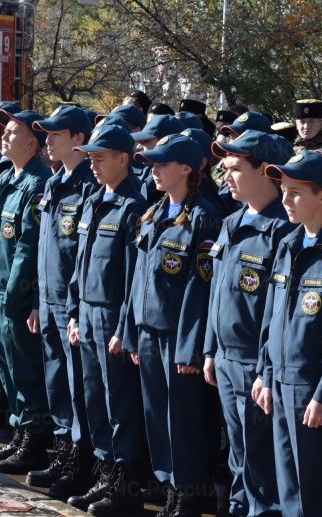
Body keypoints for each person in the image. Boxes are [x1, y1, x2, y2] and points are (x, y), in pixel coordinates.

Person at [253, 151, 322, 517]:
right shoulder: (289, 244)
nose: (285, 200)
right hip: (280, 380)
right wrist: (265, 374)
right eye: (283, 190)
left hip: (311, 385)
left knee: (315, 484)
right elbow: (272, 318)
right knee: (288, 480)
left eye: (295, 192)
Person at [126, 134, 222, 516]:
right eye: (152, 165)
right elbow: (138, 280)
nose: (155, 171)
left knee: (182, 419)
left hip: (177, 338)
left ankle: (189, 492)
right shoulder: (155, 212)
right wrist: (132, 330)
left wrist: (189, 348)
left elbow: (201, 288)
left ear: (186, 167)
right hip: (148, 333)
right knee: (156, 416)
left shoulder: (204, 216)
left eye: (163, 164)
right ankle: (170, 485)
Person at [203, 131, 295, 517]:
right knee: (239, 456)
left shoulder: (283, 231)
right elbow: (217, 293)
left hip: (254, 365)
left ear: (266, 173)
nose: (226, 173)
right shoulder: (232, 221)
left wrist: (264, 370)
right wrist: (209, 349)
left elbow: (278, 314)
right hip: (225, 359)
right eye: (226, 166)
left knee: (260, 458)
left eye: (237, 168)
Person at [64, 124, 147, 516]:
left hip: (113, 317)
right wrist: (75, 312)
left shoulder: (134, 206)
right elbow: (79, 266)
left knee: (120, 406)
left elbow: (134, 278)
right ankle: (103, 475)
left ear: (123, 159)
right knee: (95, 400)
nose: (93, 165)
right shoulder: (94, 199)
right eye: (90, 159)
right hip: (89, 312)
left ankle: (125, 488)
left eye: (100, 158)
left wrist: (123, 329)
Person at [25, 105, 99, 497]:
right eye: (47, 134)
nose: (48, 140)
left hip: (73, 305)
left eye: (57, 134)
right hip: (48, 298)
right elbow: (45, 249)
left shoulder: (89, 185)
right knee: (56, 380)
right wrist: (38, 300)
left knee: (77, 385)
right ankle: (64, 449)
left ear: (79, 140)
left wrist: (71, 308)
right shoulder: (55, 181)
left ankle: (82, 460)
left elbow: (81, 259)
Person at [0, 109, 53, 473]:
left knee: (25, 369)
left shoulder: (37, 184)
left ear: (32, 142)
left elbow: (28, 246)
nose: (2, 137)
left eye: (10, 132)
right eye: (2, 131)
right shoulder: (7, 177)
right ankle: (18, 435)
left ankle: (34, 440)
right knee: (7, 369)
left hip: (17, 295)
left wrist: (14, 292)